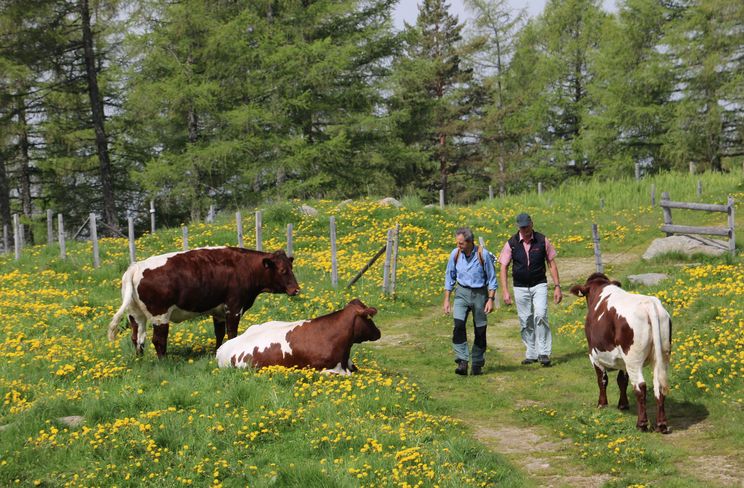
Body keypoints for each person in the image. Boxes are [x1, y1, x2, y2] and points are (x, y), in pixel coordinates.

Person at [498, 213, 562, 367]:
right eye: (522, 227)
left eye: (527, 226)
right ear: (518, 227)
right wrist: (505, 291)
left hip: (539, 284)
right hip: (520, 286)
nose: (525, 229)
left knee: (540, 315)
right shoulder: (511, 243)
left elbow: (551, 263)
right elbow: (503, 267)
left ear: (532, 224)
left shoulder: (542, 240)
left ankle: (544, 353)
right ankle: (531, 353)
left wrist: (557, 286)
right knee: (525, 320)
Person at [443, 227, 498, 376]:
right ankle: (462, 361)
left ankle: (477, 363)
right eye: (457, 243)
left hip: (480, 294)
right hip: (461, 293)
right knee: (458, 325)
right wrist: (447, 300)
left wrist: (491, 300)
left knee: (480, 329)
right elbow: (449, 277)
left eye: (461, 243)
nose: (458, 246)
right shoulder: (455, 254)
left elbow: (492, 279)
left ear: (470, 242)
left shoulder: (483, 255)